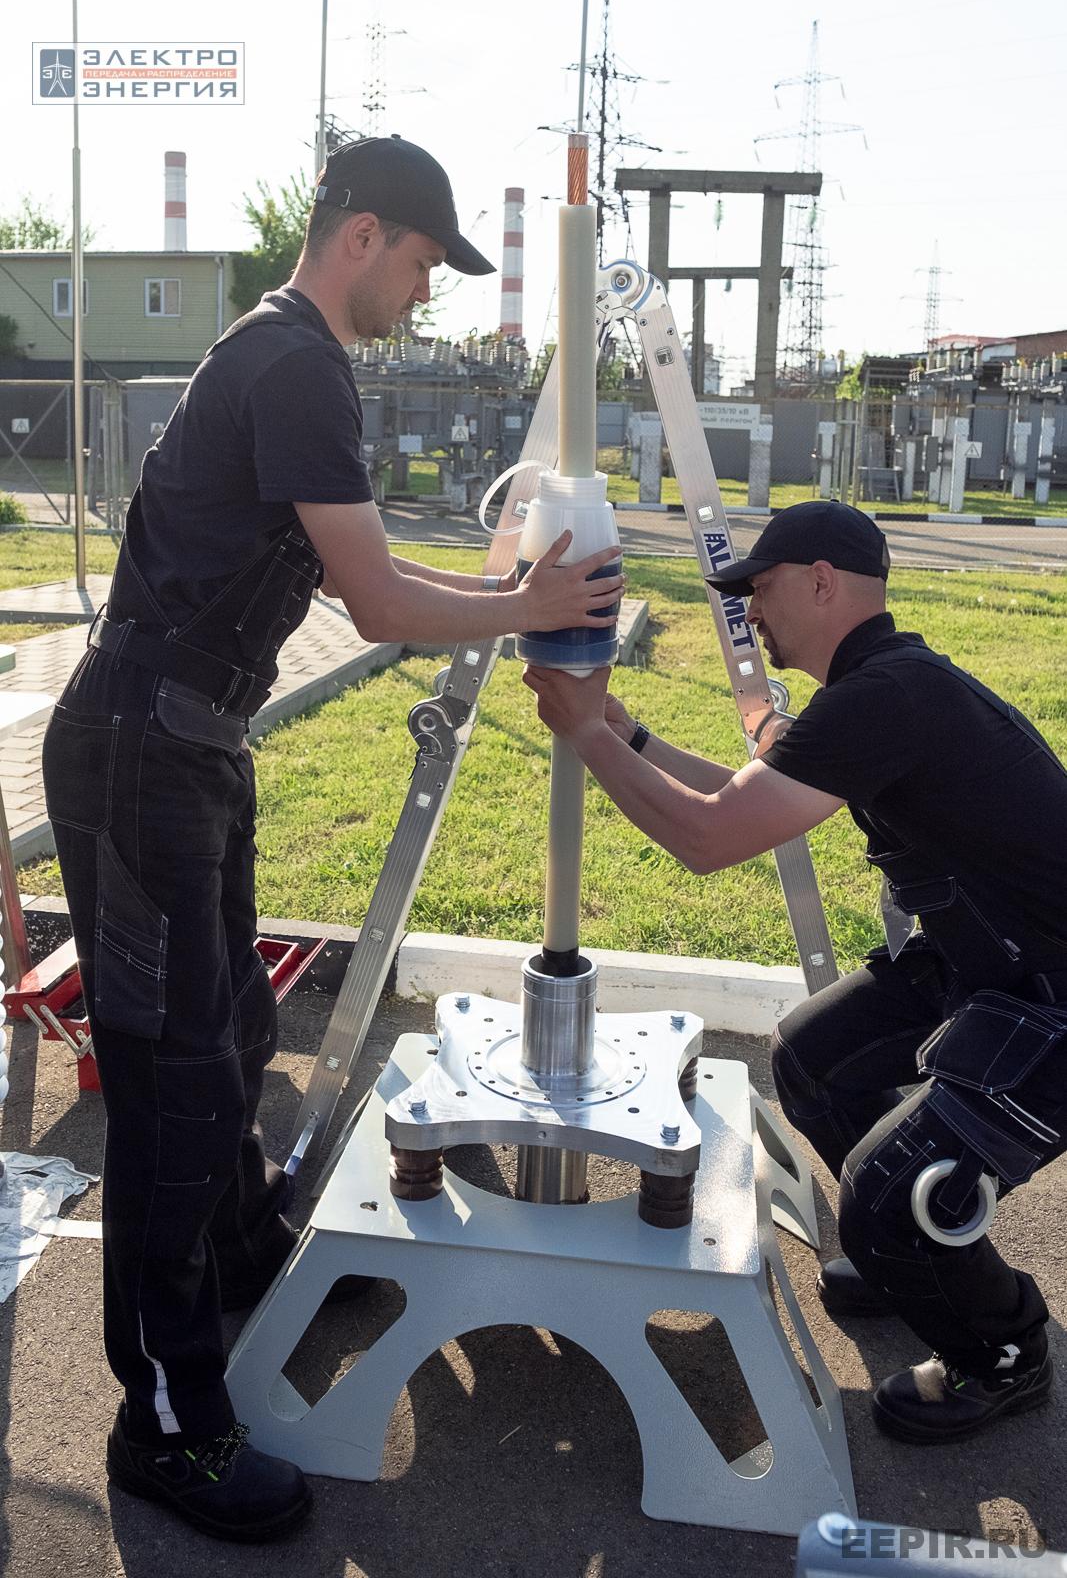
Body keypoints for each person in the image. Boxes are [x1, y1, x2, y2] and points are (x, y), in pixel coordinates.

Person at [41, 134, 623, 1542]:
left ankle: (240, 1260)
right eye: (425, 263)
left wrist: (503, 594)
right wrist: (531, 609)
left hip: (185, 743)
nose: (426, 292)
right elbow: (372, 600)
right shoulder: (293, 361)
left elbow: (373, 566)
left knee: (233, 1033)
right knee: (178, 1091)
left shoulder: (288, 356)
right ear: (362, 234)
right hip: (142, 751)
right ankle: (165, 1424)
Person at [523, 498, 1067, 1446]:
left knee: (886, 1192)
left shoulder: (888, 696)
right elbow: (741, 798)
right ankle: (922, 1261)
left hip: (1052, 1005)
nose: (750, 614)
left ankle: (1003, 1351)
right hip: (990, 970)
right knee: (813, 1057)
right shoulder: (882, 686)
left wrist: (587, 735)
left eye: (761, 590)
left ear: (821, 583)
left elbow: (707, 838)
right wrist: (628, 733)